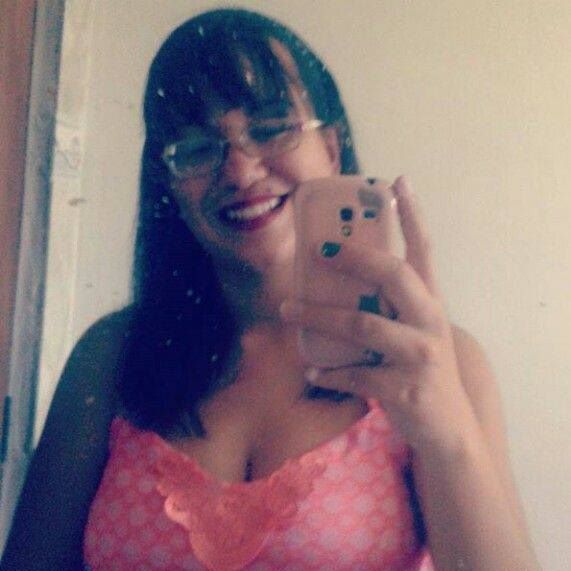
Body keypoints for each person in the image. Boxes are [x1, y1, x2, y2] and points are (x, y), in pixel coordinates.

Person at [1, 8, 539, 571]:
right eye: (196, 148)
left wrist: (449, 433)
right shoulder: (112, 355)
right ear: (170, 185)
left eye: (270, 127)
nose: (239, 171)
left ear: (331, 148)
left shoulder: (437, 362)